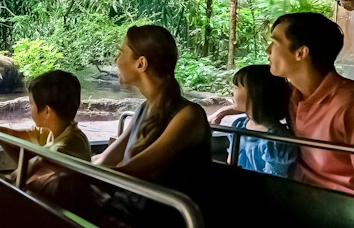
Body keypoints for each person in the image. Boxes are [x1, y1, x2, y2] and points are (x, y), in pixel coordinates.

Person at [211, 12, 354, 194]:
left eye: (276, 43)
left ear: (301, 52)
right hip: (294, 195)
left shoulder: (348, 105)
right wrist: (225, 111)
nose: (268, 50)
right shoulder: (291, 94)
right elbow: (256, 99)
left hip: (335, 208)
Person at [92, 25, 211, 197]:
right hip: (133, 210)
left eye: (121, 53)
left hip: (160, 219)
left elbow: (129, 172)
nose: (115, 60)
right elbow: (104, 160)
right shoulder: (145, 108)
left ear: (141, 63)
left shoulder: (189, 116)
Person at [0, 69, 91, 196]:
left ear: (47, 112)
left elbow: (30, 167)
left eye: (31, 104)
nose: (30, 109)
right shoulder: (50, 131)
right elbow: (15, 138)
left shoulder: (70, 145)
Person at [227, 64, 297, 177]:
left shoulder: (276, 140)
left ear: (255, 93)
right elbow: (230, 163)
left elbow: (272, 183)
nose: (232, 92)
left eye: (236, 87)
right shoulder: (238, 125)